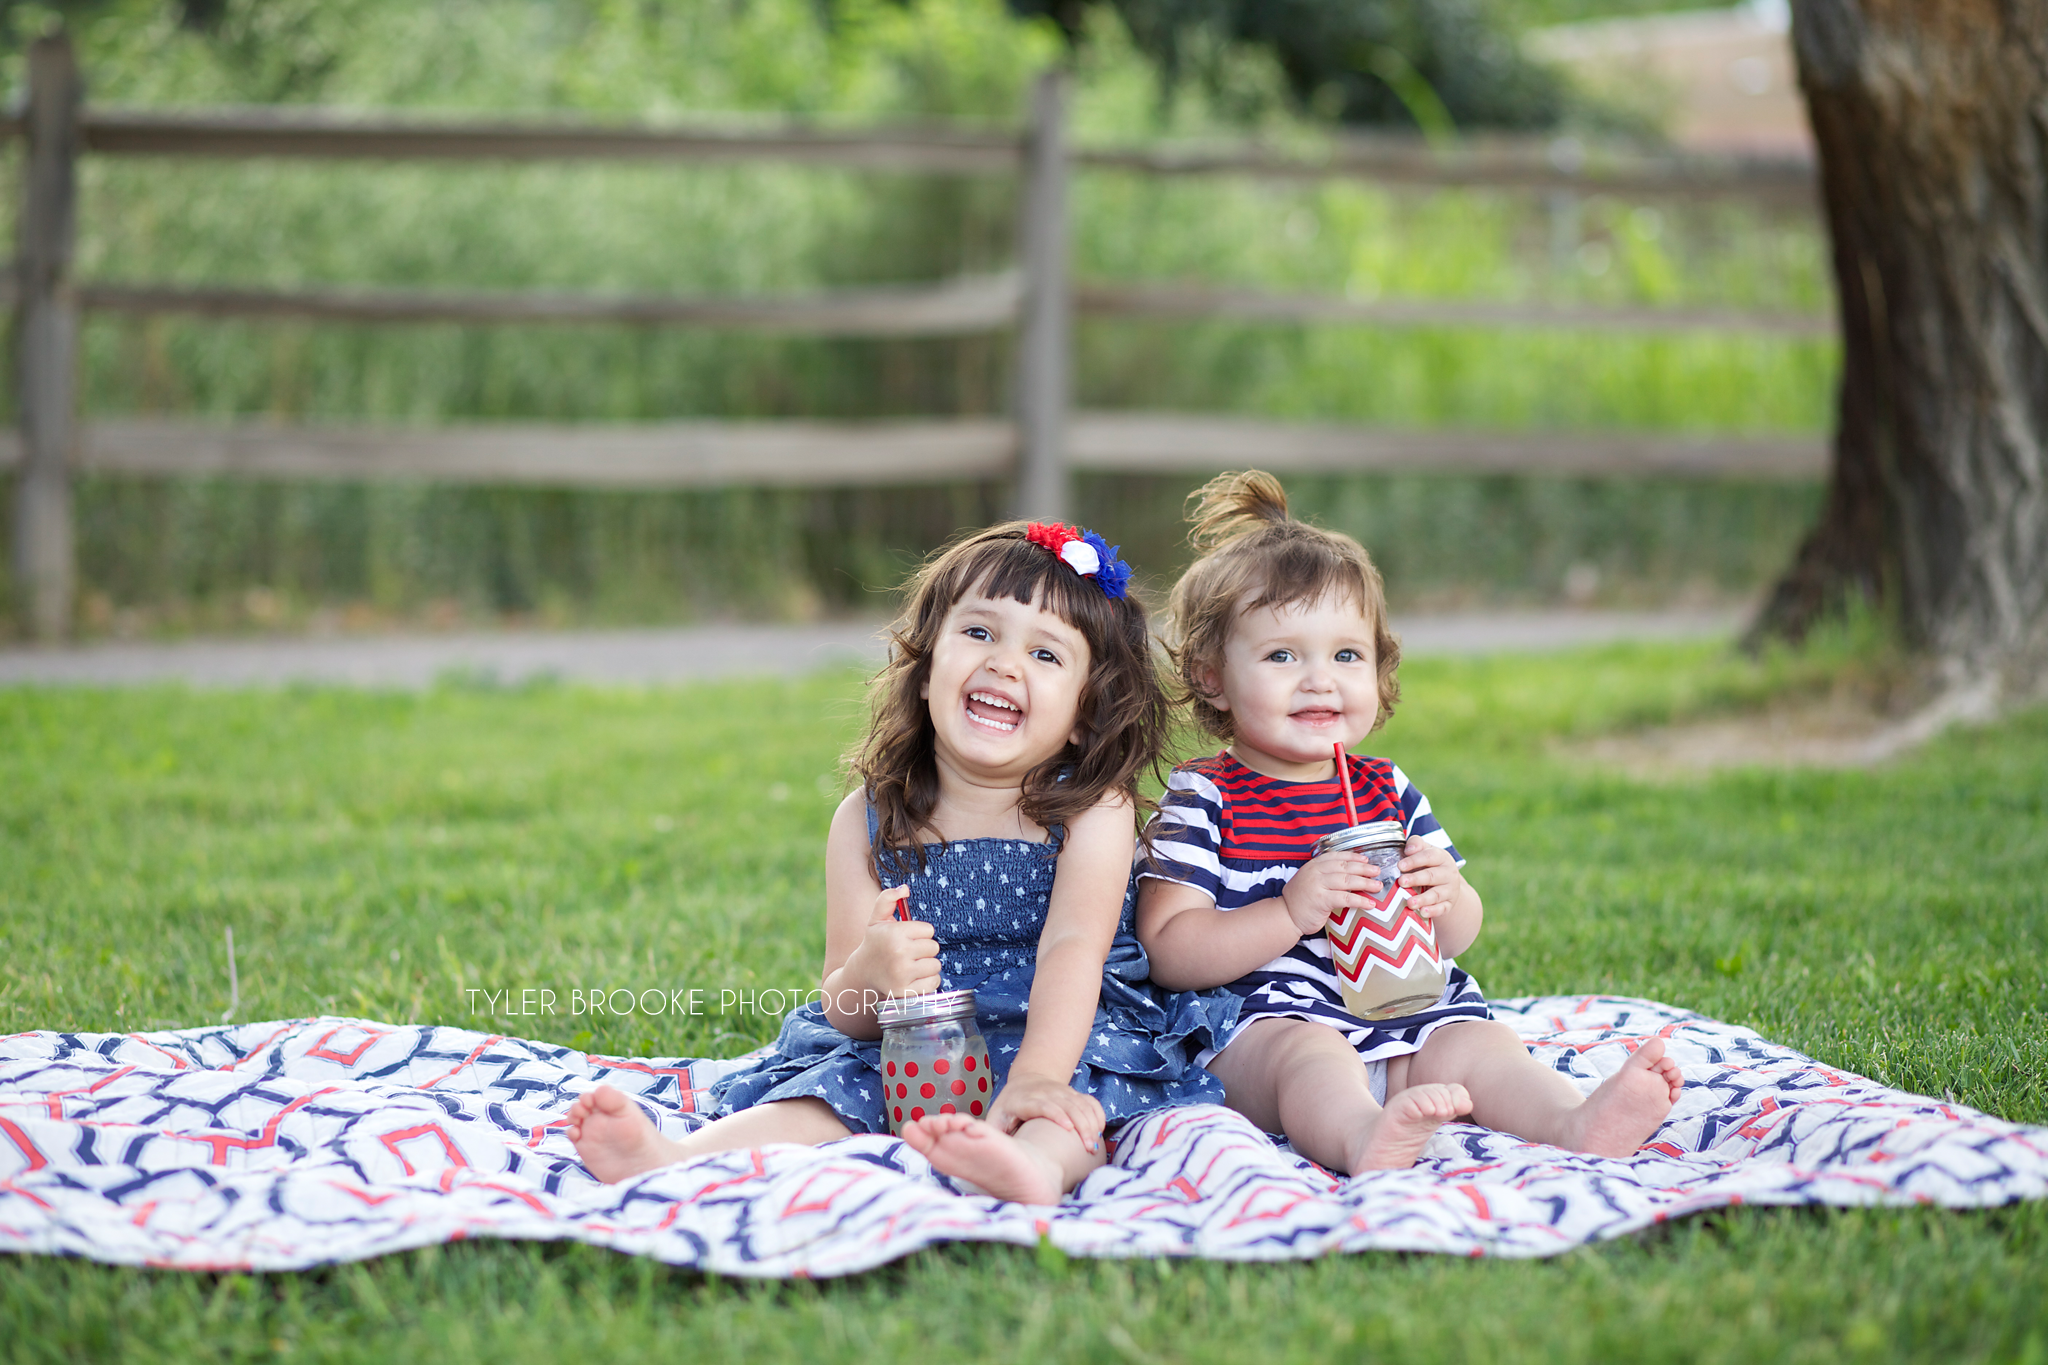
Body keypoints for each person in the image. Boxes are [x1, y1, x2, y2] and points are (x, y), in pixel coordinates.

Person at [568, 521, 1237, 1203]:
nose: (1005, 663)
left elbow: (1073, 947)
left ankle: (1031, 1168)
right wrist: (870, 973)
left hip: (1060, 1026)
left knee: (1073, 1104)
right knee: (828, 1094)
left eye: (1045, 653)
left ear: (1083, 715)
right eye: (979, 633)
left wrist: (1036, 1074)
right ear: (924, 672)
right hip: (912, 1042)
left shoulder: (1093, 810)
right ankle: (678, 1155)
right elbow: (844, 1006)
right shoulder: (867, 817)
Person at [1135, 471, 1682, 1175]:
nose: (1320, 678)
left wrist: (1446, 894)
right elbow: (1170, 950)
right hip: (1265, 1025)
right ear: (1211, 675)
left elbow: (1458, 933)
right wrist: (1291, 909)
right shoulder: (1204, 794)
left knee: (1477, 1044)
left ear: (1377, 667)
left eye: (1345, 655)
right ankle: (1364, 1137)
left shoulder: (1384, 788)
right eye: (1281, 655)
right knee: (1310, 1058)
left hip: (1408, 1009)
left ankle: (1571, 1119)